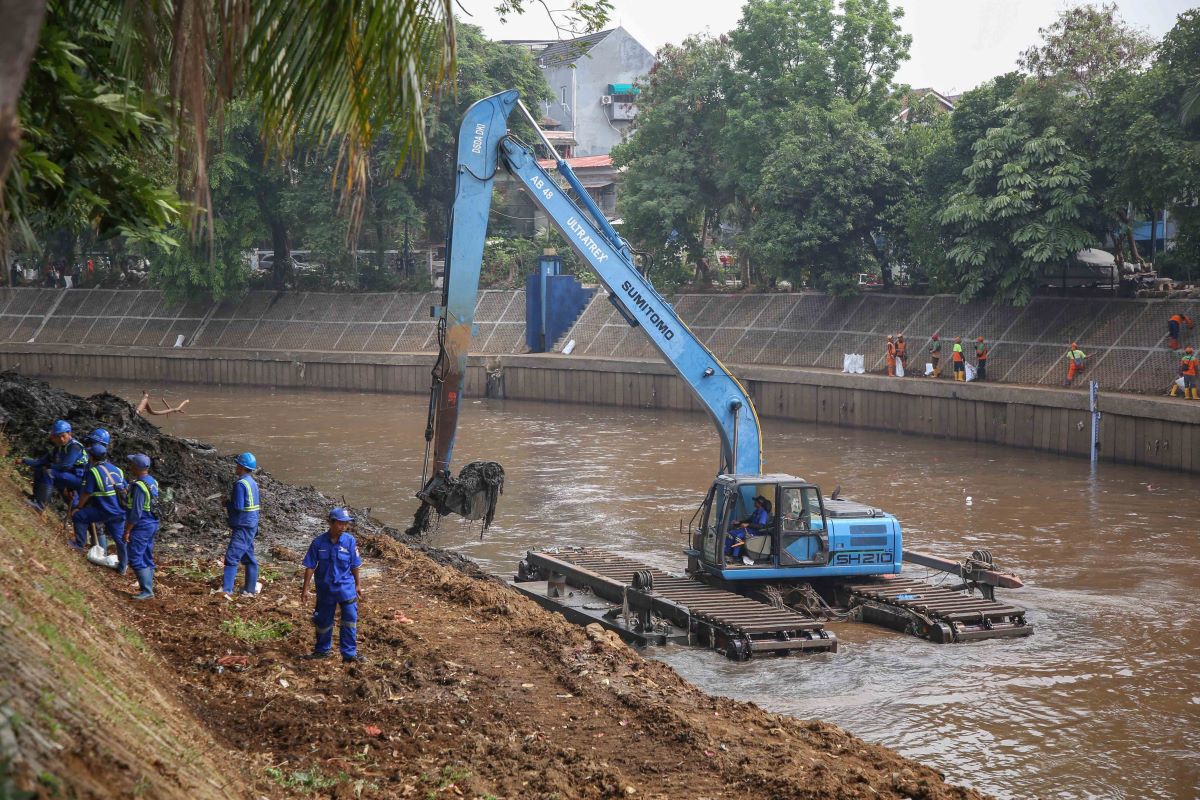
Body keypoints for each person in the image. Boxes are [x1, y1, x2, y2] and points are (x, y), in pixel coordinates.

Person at [301, 507, 364, 662]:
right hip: (325, 589)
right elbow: (310, 566)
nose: (343, 527)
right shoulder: (318, 543)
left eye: (346, 524)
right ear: (331, 523)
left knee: (349, 620)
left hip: (345, 588)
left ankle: (349, 654)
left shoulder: (350, 541)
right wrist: (305, 589)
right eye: (340, 523)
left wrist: (358, 584)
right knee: (323, 621)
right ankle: (322, 650)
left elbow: (355, 564)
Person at [70, 442, 127, 569]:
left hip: (104, 511)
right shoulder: (117, 470)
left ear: (91, 457)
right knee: (120, 539)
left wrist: (78, 507)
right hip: (120, 512)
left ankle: (79, 545)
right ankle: (123, 566)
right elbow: (125, 488)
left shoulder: (93, 472)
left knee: (79, 516)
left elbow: (87, 493)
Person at [21, 419, 89, 511]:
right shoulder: (59, 447)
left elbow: (65, 466)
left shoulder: (74, 447)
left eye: (63, 436)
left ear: (69, 434)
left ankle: (40, 506)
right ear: (54, 437)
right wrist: (24, 460)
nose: (61, 439)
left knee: (49, 473)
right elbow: (41, 461)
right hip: (67, 476)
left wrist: (49, 466)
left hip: (79, 480)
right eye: (58, 436)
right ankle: (36, 498)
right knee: (40, 469)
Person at [221, 452, 261, 600]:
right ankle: (249, 589)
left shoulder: (239, 484)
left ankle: (227, 590)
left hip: (243, 525)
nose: (235, 467)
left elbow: (238, 507)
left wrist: (227, 503)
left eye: (237, 464)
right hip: (252, 524)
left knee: (231, 557)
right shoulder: (252, 482)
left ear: (242, 467)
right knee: (248, 557)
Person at [122, 454, 160, 600]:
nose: (129, 466)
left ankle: (147, 590)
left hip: (142, 525)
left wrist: (127, 530)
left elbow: (136, 512)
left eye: (131, 464)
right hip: (152, 523)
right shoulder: (152, 481)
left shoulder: (138, 486)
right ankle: (148, 587)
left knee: (135, 556)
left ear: (136, 467)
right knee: (147, 555)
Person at [725, 495, 770, 561]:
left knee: (739, 537)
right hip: (749, 530)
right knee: (730, 534)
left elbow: (761, 526)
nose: (754, 503)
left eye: (755, 502)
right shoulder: (756, 511)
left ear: (759, 503)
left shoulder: (763, 513)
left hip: (757, 532)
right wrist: (739, 522)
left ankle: (735, 557)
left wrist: (748, 525)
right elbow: (749, 520)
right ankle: (727, 552)